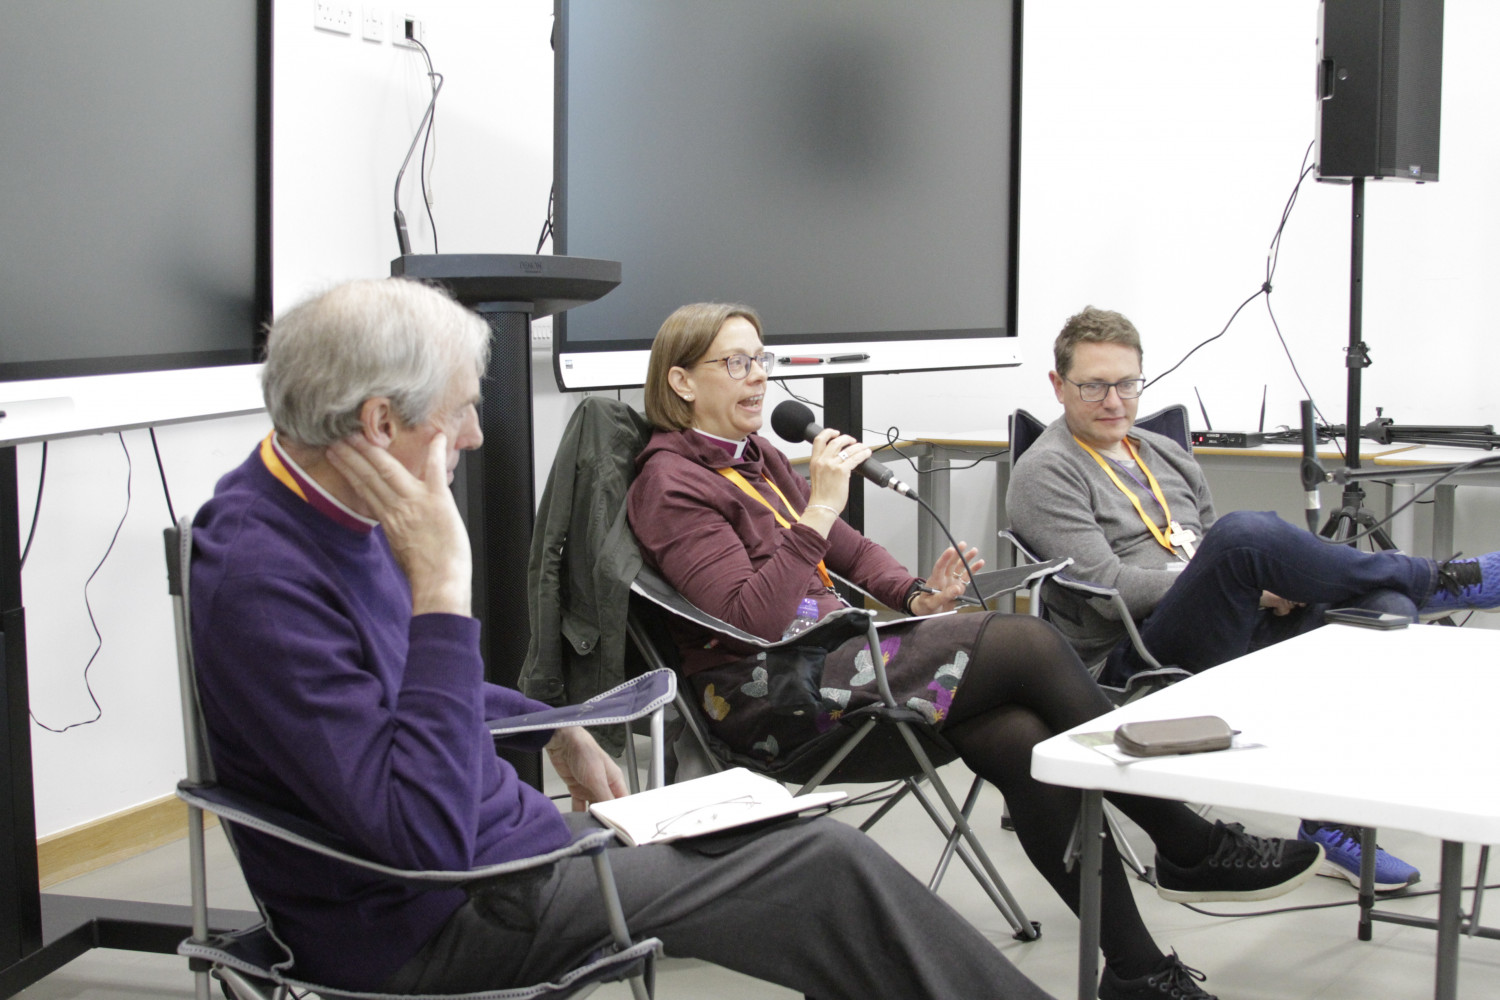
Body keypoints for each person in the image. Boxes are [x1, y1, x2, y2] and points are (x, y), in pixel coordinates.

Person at [189, 277, 1070, 1000]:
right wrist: (442, 591)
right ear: (381, 425)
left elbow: (395, 696)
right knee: (821, 869)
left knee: (809, 876)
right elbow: (420, 836)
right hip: (434, 916)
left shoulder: (333, 502)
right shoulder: (266, 577)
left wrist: (549, 723)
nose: (476, 434)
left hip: (504, 855)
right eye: (459, 411)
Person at [626, 301, 1325, 1000]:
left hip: (840, 662)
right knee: (1027, 644)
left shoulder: (758, 456)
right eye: (735, 363)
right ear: (683, 382)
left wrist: (915, 598)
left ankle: (1138, 970)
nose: (756, 379)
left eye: (761, 360)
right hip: (769, 698)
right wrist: (818, 509)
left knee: (1018, 736)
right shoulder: (670, 483)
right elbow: (753, 618)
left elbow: (850, 552)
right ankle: (1186, 841)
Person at [1006, 305, 1500, 894]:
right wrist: (1239, 578)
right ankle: (1441, 578)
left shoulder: (1165, 454)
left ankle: (1330, 824)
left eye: (1127, 384)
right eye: (1093, 386)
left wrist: (1263, 588)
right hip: (1137, 653)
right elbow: (1110, 593)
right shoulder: (1046, 471)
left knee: (1384, 612)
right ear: (1058, 386)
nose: (1114, 401)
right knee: (1245, 536)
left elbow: (1210, 550)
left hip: (1230, 621)